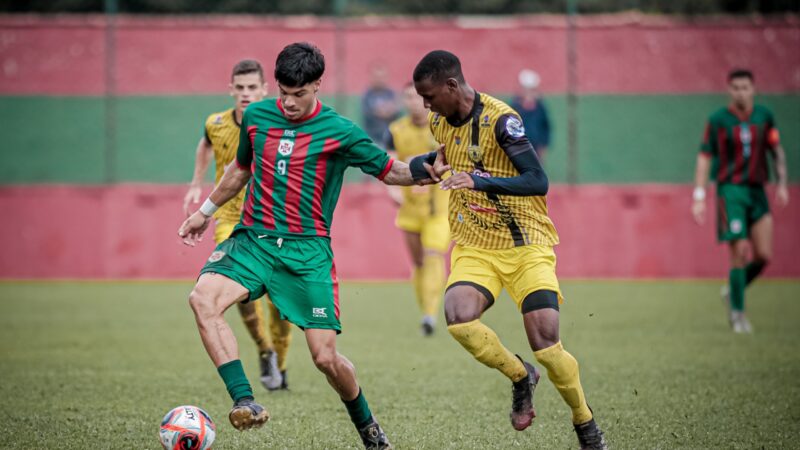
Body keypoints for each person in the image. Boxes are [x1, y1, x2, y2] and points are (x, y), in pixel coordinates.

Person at [178, 42, 437, 449]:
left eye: (299, 94)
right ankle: (246, 401)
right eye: (283, 92)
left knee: (324, 358)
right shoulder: (258, 116)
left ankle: (368, 428)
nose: (289, 102)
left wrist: (428, 168)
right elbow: (241, 169)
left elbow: (393, 172)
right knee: (202, 299)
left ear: (318, 85)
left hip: (307, 253)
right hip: (254, 241)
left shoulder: (341, 131)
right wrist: (205, 211)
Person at [410, 50, 607, 449]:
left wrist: (478, 181)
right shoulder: (440, 121)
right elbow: (446, 157)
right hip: (476, 245)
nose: (426, 106)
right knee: (460, 319)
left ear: (452, 86)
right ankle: (520, 376)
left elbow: (537, 180)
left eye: (429, 96)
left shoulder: (502, 120)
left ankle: (585, 423)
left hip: (526, 246)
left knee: (548, 346)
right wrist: (430, 166)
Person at [182, 59, 291, 391]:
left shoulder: (278, 124)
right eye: (239, 88)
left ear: (264, 90)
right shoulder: (215, 123)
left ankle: (279, 363)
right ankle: (264, 349)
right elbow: (205, 143)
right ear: (231, 90)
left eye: (251, 88)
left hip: (273, 222)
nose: (245, 94)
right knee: (240, 296)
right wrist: (196, 183)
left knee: (280, 304)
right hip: (230, 218)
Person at [692, 68, 789, 333]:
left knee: (763, 254)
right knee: (738, 252)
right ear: (729, 90)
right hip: (730, 191)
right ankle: (738, 314)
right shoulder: (718, 120)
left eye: (745, 87)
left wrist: (782, 183)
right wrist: (699, 195)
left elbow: (776, 150)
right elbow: (704, 156)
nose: (740, 92)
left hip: (757, 191)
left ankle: (733, 291)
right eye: (735, 87)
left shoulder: (764, 117)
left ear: (753, 89)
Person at [384, 83, 450, 336]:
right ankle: (425, 311)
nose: (414, 103)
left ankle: (431, 313)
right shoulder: (396, 130)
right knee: (418, 262)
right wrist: (394, 192)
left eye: (418, 98)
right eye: (409, 97)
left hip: (438, 210)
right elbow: (388, 166)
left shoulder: (441, 126)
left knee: (434, 253)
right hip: (410, 209)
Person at [510, 69, 551, 163]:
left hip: (535, 147)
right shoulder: (515, 106)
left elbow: (545, 127)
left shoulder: (540, 107)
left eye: (531, 90)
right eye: (525, 89)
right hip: (518, 147)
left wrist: (543, 146)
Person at [362, 64, 399, 145]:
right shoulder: (366, 95)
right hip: (372, 137)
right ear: (371, 77)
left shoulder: (391, 93)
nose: (379, 79)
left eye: (382, 77)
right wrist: (383, 111)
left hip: (391, 137)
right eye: (377, 77)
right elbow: (367, 113)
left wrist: (385, 111)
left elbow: (396, 111)